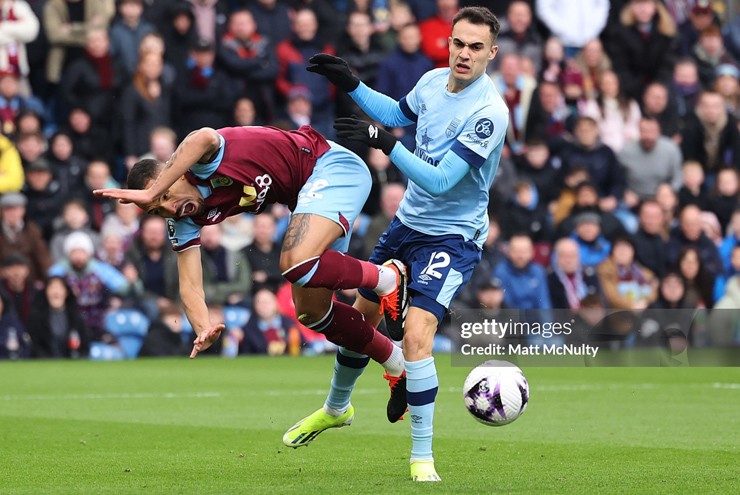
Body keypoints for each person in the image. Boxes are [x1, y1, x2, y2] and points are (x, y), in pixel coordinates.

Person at [297, 6, 507, 481]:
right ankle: (337, 407)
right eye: (459, 43)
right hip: (407, 224)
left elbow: (439, 181)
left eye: (476, 47)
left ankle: (421, 458)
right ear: (448, 43)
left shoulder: (489, 113)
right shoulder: (433, 81)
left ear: (491, 53)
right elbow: (396, 113)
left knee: (415, 335)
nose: (465, 54)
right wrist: (349, 83)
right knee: (359, 317)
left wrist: (387, 145)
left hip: (452, 236)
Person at [92, 123, 407, 434]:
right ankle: (395, 364)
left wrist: (151, 192)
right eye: (157, 211)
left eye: (164, 195)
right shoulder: (184, 219)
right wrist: (202, 327)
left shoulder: (202, 162)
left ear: (172, 173)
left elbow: (202, 135)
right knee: (313, 312)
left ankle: (387, 278)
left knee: (295, 263)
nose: (168, 208)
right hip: (307, 198)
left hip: (331, 167)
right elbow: (189, 285)